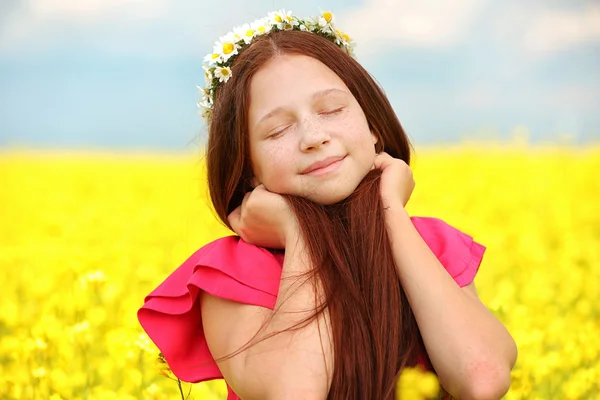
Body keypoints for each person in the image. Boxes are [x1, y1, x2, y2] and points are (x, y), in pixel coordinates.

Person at [138, 9, 517, 400]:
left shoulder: (430, 245)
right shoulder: (231, 273)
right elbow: (294, 392)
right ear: (248, 169)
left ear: (372, 127)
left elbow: (482, 380)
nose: (313, 137)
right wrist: (298, 232)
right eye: (278, 129)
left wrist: (390, 209)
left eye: (332, 109)